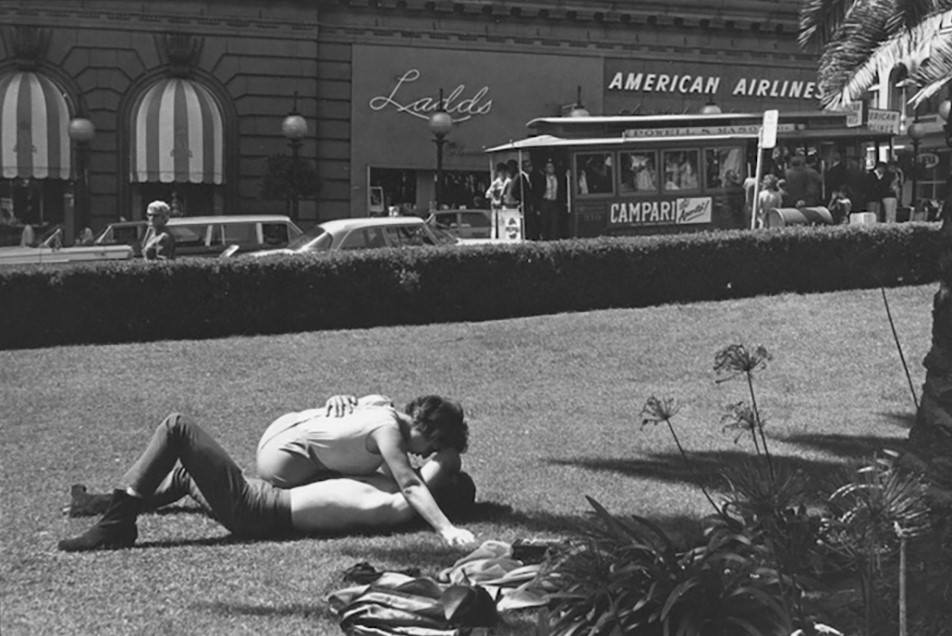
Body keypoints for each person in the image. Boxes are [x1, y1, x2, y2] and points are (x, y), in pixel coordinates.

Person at [59, 397, 476, 552]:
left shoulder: (397, 501)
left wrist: (447, 527)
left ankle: (117, 524)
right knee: (188, 472)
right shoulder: (390, 479)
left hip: (256, 510)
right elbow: (382, 427)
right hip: (258, 501)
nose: (423, 463)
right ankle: (106, 505)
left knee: (177, 427)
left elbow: (423, 478)